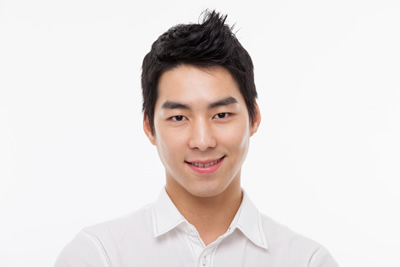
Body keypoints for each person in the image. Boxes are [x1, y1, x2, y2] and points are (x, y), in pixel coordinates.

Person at [55, 10, 339, 267]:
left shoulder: (306, 260)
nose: (202, 141)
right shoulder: (98, 255)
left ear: (254, 117)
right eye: (179, 117)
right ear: (149, 128)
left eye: (221, 115)